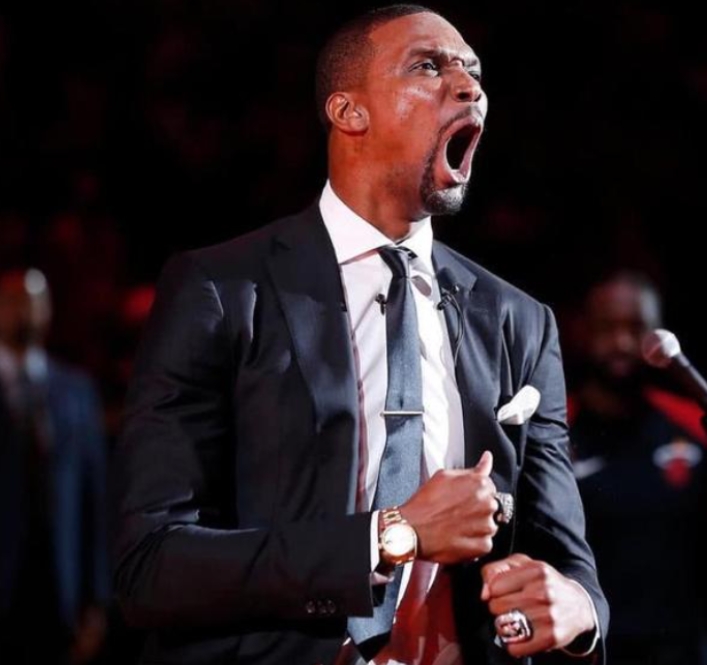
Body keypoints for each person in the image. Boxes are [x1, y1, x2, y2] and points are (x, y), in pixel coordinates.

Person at [112, 5, 608, 664]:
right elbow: (151, 565)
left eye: (473, 72)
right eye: (428, 66)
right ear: (349, 112)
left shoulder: (519, 320)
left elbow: (570, 568)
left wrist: (577, 610)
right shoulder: (222, 290)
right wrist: (388, 537)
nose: (468, 87)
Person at [568, 270, 707, 665]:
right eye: (607, 328)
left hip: (680, 647)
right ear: (584, 332)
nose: (622, 343)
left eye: (635, 328)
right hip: (589, 649)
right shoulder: (554, 432)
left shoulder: (693, 423)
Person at [0, 267, 109, 664]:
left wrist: (98, 598)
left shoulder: (77, 391)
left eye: (33, 300)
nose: (23, 310)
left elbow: (95, 499)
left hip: (60, 590)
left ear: (48, 310)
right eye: (12, 300)